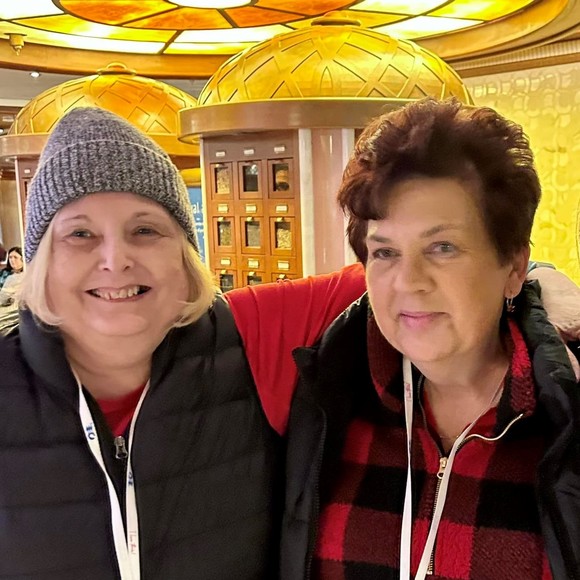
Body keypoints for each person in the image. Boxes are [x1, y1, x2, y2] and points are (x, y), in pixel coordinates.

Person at [0, 106, 576, 580]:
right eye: (79, 233)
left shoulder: (248, 339)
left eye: (145, 229)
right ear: (39, 259)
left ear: (184, 255)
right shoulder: (345, 392)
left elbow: (413, 288)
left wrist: (539, 292)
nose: (115, 260)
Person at [278, 98, 580, 580]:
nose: (409, 281)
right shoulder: (329, 396)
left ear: (514, 266)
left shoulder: (562, 418)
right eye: (385, 252)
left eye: (442, 247)